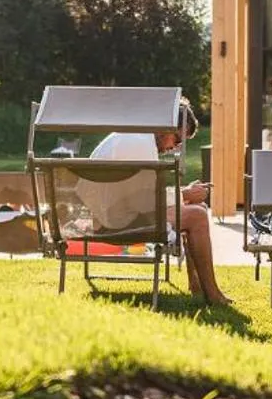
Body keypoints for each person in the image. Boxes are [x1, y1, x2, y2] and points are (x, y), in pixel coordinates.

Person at [78, 109, 229, 307]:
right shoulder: (140, 144)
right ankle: (212, 294)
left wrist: (184, 193)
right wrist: (184, 194)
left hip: (108, 216)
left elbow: (137, 194)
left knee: (196, 207)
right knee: (198, 215)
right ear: (166, 127)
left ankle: (197, 286)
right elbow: (143, 201)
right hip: (116, 223)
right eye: (177, 140)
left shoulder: (130, 136)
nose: (174, 148)